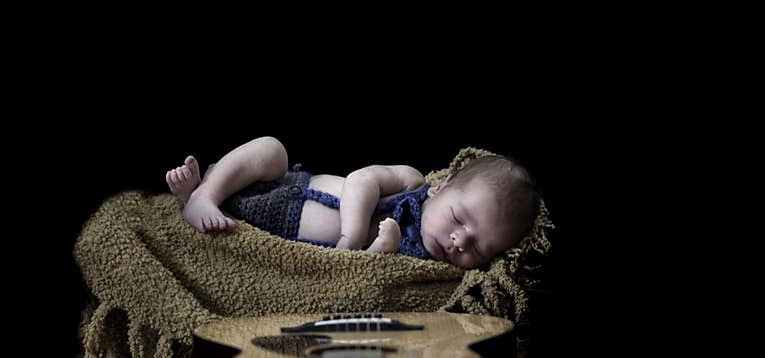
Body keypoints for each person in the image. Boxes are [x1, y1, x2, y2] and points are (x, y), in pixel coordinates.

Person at [165, 136, 540, 269]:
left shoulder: (425, 264)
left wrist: (379, 248)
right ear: (441, 188)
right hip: (286, 187)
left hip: (265, 229)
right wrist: (354, 235)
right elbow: (362, 179)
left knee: (230, 230)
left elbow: (366, 275)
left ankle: (201, 205)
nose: (459, 241)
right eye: (459, 218)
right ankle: (205, 195)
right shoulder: (412, 183)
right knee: (271, 150)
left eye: (478, 248)